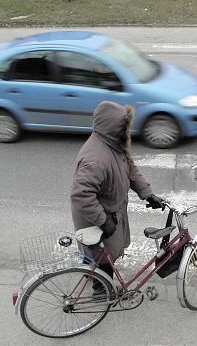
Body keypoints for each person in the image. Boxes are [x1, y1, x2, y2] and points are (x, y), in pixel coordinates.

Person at [70, 101, 164, 289]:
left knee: (101, 256)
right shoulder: (96, 159)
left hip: (109, 213)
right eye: (123, 126)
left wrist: (146, 193)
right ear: (112, 126)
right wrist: (103, 221)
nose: (127, 130)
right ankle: (102, 292)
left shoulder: (112, 144)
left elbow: (130, 169)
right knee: (103, 259)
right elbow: (81, 195)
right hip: (97, 219)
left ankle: (94, 276)